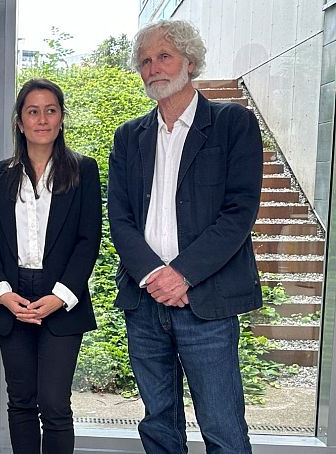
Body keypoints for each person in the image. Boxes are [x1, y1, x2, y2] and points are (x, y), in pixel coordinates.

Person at [108, 19, 262, 453]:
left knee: (223, 426)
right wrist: (155, 276)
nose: (153, 67)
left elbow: (239, 212)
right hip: (144, 302)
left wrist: (182, 276)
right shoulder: (128, 137)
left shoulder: (233, 124)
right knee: (158, 424)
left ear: (190, 62)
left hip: (206, 303)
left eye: (164, 56)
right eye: (144, 61)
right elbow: (119, 218)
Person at [0, 78, 101, 453]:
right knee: (21, 403)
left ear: (62, 119)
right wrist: (3, 294)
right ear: (20, 121)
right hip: (13, 297)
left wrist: (61, 296)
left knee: (55, 405)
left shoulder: (83, 170)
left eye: (51, 110)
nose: (42, 119)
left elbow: (87, 240)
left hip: (61, 297)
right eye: (33, 111)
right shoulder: (1, 174)